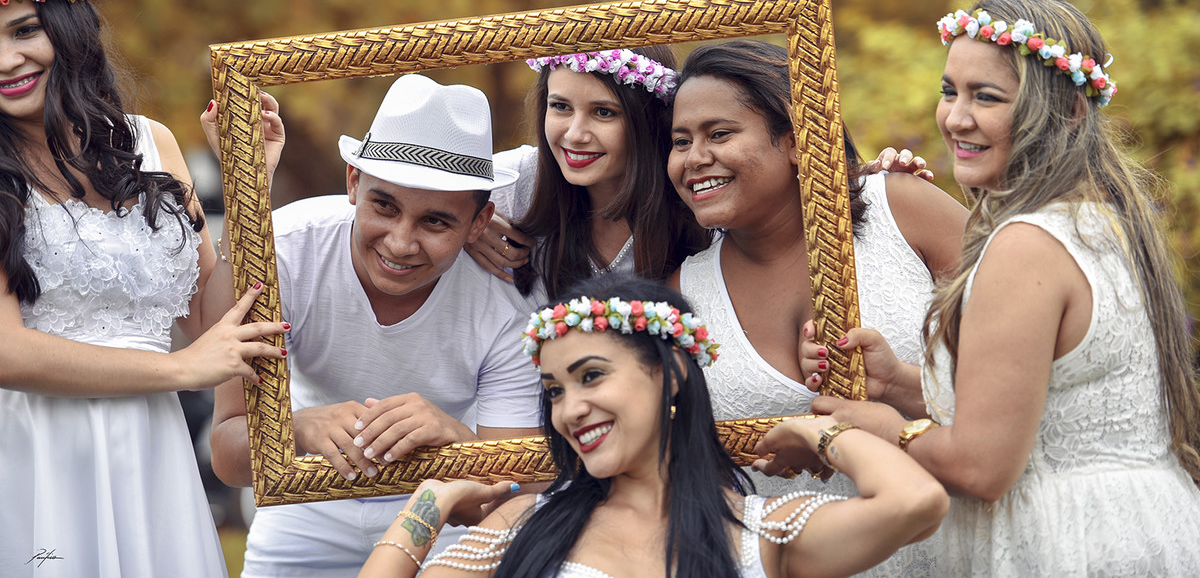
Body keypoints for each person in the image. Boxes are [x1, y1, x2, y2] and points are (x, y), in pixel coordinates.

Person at [815, 0, 1200, 576]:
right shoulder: (1099, 221)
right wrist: (896, 383)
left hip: (1067, 545)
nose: (956, 117)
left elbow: (981, 467)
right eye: (950, 91)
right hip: (1136, 526)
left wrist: (884, 430)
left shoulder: (1027, 245)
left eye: (986, 96)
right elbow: (1046, 408)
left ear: (1069, 112)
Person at [0, 0, 287, 577]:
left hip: (151, 453)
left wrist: (249, 183)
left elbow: (211, 319)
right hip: (38, 454)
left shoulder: (149, 142)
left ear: (66, 27)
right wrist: (180, 370)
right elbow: (7, 352)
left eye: (24, 30)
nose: (7, 60)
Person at [357, 274, 950, 578]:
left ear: (670, 374)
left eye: (591, 377)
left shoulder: (762, 533)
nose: (569, 410)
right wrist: (430, 502)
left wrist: (816, 432)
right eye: (555, 391)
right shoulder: (527, 526)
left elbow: (916, 501)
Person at [202, 74, 543, 577]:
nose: (400, 243)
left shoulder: (508, 301)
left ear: (479, 221)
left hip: (442, 506)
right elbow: (228, 455)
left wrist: (454, 438)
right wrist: (298, 428)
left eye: (435, 221)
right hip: (307, 502)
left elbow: (513, 499)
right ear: (353, 183)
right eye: (384, 206)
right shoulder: (286, 251)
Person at [668, 39, 968, 576]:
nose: (694, 158)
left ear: (794, 138)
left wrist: (900, 388)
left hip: (955, 551)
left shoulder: (903, 210)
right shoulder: (681, 295)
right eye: (680, 141)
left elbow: (1033, 370)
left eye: (719, 134)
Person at [469, 46, 709, 304]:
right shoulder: (511, 179)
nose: (574, 135)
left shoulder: (697, 192)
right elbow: (436, 194)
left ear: (649, 118)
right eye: (561, 106)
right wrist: (465, 224)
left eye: (603, 112)